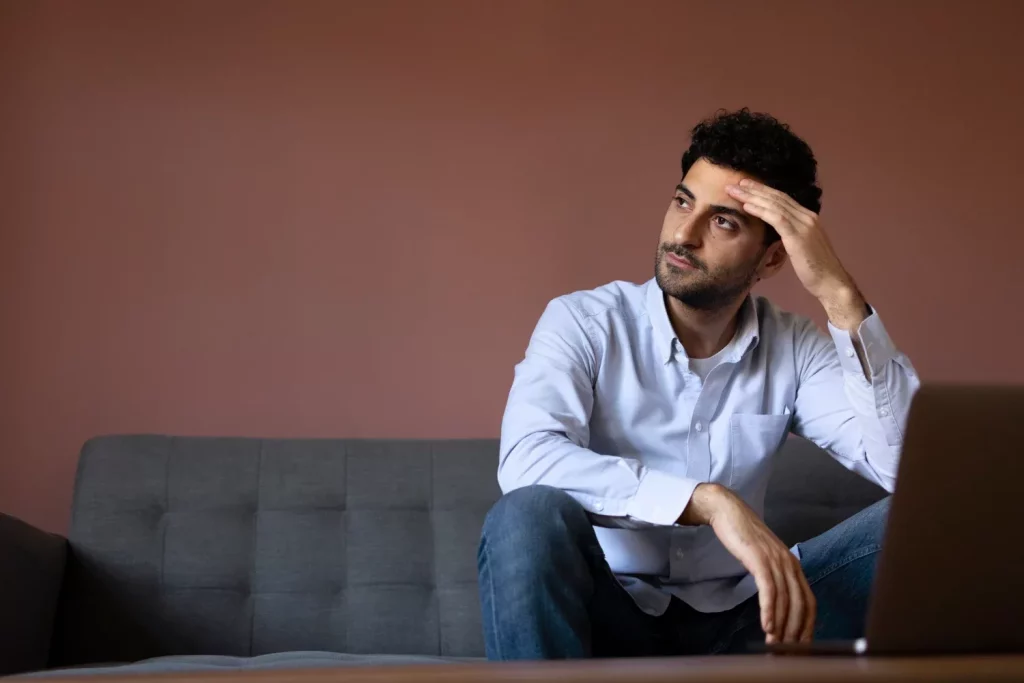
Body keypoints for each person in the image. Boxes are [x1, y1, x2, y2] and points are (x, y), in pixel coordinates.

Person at [478, 109, 920, 659]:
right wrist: (705, 501)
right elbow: (526, 460)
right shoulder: (584, 322)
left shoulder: (795, 347)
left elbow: (910, 471)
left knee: (928, 520)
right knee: (525, 516)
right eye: (683, 201)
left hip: (751, 626)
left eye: (723, 222)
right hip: (609, 618)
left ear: (775, 255)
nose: (683, 235)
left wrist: (837, 293)